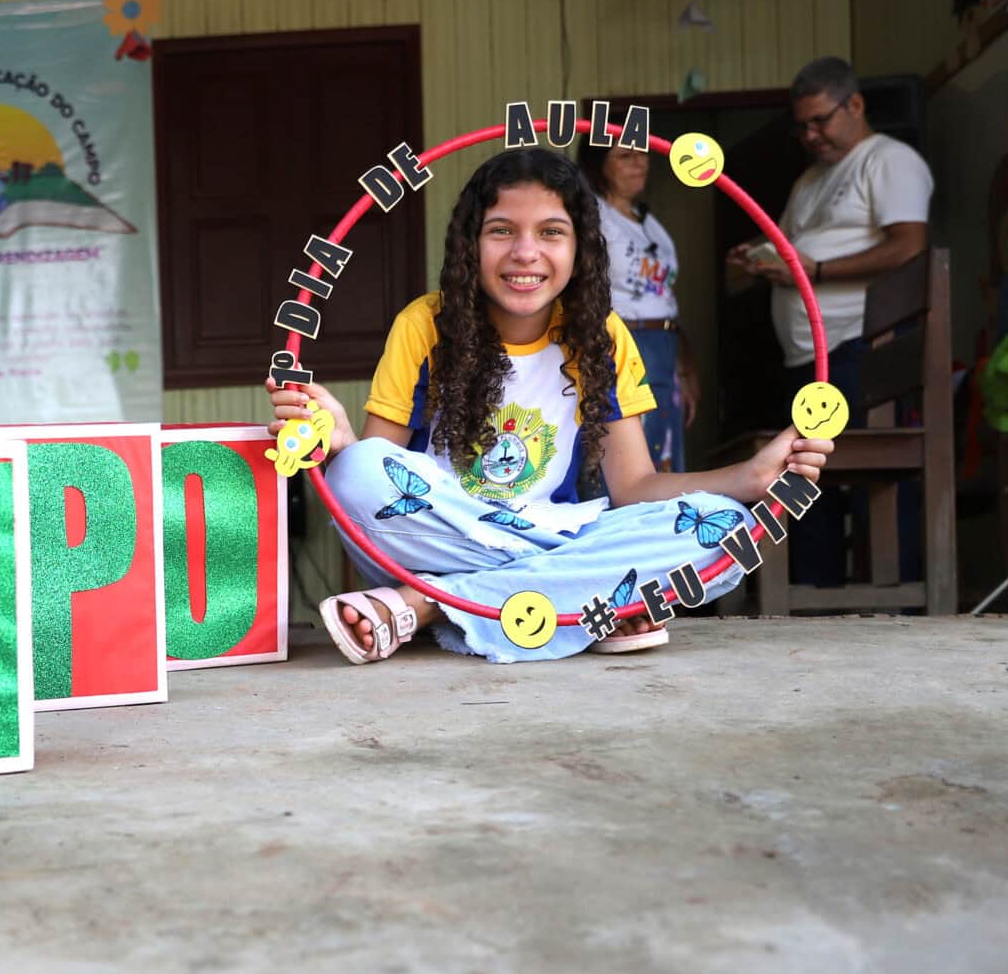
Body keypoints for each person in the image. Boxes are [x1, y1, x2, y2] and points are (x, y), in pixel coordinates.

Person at [268, 148, 827, 665]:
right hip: (438, 538)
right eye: (501, 230)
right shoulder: (424, 325)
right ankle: (587, 600)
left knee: (723, 524)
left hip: (553, 531)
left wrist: (748, 479)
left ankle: (430, 604)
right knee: (355, 471)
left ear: (581, 246)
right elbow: (377, 485)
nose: (525, 252)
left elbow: (634, 486)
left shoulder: (601, 337)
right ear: (470, 243)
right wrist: (342, 442)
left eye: (551, 232)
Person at [729, 56, 933, 584]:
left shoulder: (888, 161)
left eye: (820, 121)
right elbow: (789, 249)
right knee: (806, 480)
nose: (811, 135)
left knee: (864, 483)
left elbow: (910, 247)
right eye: (802, 126)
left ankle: (893, 598)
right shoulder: (809, 180)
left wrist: (816, 271)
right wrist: (758, 261)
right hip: (807, 359)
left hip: (859, 347)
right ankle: (817, 596)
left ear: (855, 105)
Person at [580, 140, 698, 473]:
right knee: (627, 453)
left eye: (642, 154)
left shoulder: (647, 221)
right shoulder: (591, 215)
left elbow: (663, 298)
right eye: (625, 156)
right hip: (622, 340)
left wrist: (683, 368)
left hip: (664, 345)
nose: (640, 163)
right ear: (598, 164)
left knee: (663, 448)